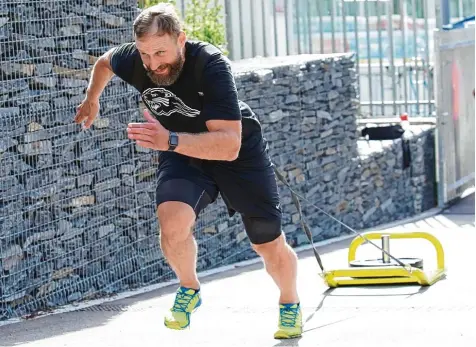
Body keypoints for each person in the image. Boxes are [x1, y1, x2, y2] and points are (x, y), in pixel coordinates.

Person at [74, 3, 302, 340]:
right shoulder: (135, 58)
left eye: (161, 52)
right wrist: (93, 97)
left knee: (267, 241)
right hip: (180, 149)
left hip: (234, 152)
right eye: (145, 54)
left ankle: (289, 303)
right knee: (172, 221)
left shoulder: (210, 65)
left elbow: (229, 145)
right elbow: (105, 62)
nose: (153, 63)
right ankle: (189, 288)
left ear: (182, 39)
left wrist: (170, 139)